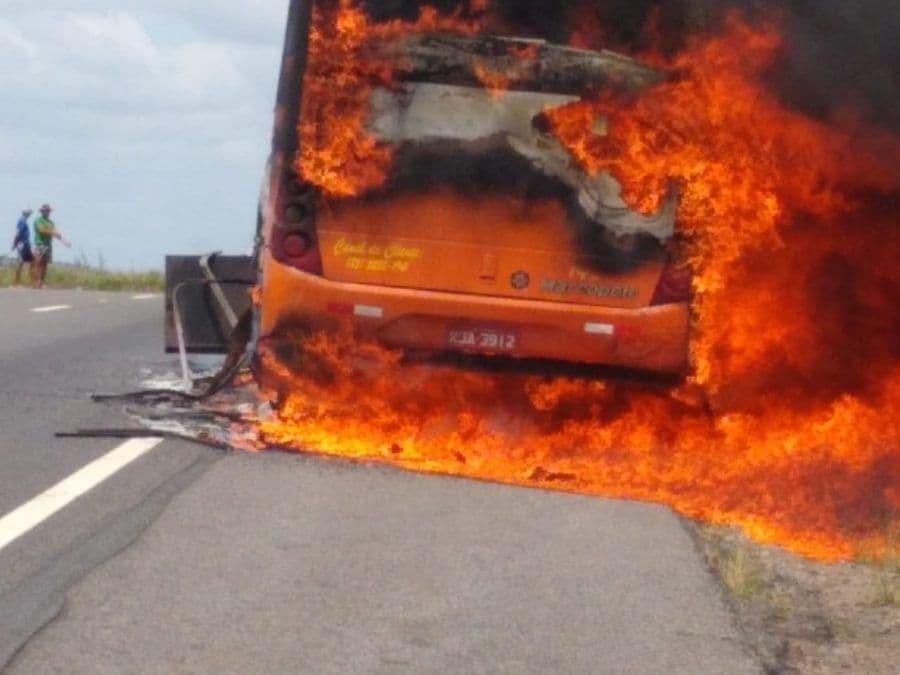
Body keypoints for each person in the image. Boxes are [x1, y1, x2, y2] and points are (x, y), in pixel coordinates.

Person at [32, 204, 70, 288]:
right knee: (38, 263)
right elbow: (41, 230)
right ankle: (36, 282)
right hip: (40, 244)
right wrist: (53, 232)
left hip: (48, 244)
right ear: (42, 211)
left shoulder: (51, 222)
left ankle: (41, 282)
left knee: (45, 264)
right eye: (46, 210)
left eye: (49, 211)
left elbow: (55, 233)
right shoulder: (38, 220)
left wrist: (64, 241)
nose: (48, 212)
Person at [11, 209, 34, 285]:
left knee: (32, 261)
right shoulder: (22, 221)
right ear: (26, 213)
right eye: (29, 213)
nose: (30, 214)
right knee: (20, 262)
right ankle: (16, 282)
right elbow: (18, 233)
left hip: (26, 244)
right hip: (22, 244)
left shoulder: (24, 221)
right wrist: (14, 244)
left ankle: (32, 281)